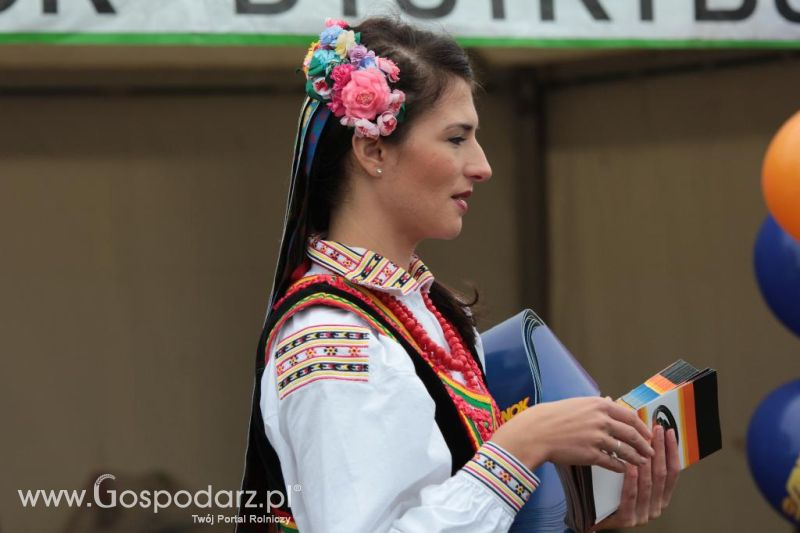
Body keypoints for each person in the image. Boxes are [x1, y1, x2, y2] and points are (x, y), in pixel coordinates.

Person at [237, 16, 680, 533]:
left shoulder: (425, 311)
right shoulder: (335, 339)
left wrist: (588, 515)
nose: (482, 165)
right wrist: (524, 442)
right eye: (456, 138)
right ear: (373, 150)